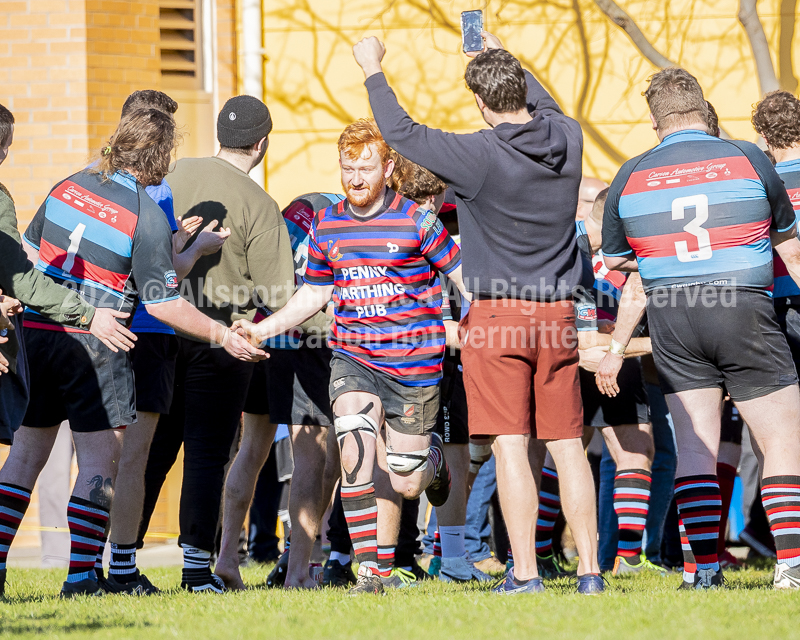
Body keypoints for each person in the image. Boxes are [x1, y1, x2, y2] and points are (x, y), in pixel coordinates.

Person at [352, 32, 602, 594]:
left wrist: (373, 70)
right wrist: (501, 56)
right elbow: (550, 106)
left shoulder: (479, 154)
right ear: (521, 90)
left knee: (511, 445)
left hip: (496, 318)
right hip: (559, 313)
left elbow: (400, 132)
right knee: (566, 445)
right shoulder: (568, 137)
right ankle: (590, 574)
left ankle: (528, 575)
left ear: (482, 105)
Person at [0, 108, 263, 598]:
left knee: (24, 458)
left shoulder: (68, 184)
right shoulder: (143, 213)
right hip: (98, 342)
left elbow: (30, 255)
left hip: (38, 332)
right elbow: (163, 304)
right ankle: (81, 576)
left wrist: (179, 250)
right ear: (159, 157)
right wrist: (223, 335)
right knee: (101, 461)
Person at [234, 118, 465, 595]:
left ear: (388, 166)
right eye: (347, 168)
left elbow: (463, 277)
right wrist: (264, 328)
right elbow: (313, 293)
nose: (356, 178)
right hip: (353, 358)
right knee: (356, 455)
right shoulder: (328, 222)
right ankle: (370, 572)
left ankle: (434, 464)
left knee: (405, 480)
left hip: (414, 364)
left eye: (365, 168)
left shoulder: (417, 222)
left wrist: (479, 321)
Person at [602, 67, 800, 590]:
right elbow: (788, 242)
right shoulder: (748, 156)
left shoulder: (630, 174)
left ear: (654, 118)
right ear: (701, 105)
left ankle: (702, 569)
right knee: (781, 437)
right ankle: (791, 567)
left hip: (674, 313)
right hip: (742, 306)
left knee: (695, 448)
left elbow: (622, 264)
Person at [136, 95, 305, 593]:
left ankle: (119, 558)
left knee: (154, 450)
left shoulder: (175, 174)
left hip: (159, 330)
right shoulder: (260, 206)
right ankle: (194, 571)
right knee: (207, 454)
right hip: (224, 342)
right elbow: (280, 299)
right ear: (263, 144)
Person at [98, 91, 230, 596]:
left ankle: (86, 567)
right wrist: (197, 247)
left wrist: (177, 237)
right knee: (134, 456)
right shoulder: (155, 192)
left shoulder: (91, 179)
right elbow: (166, 277)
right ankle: (124, 569)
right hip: (150, 334)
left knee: (99, 452)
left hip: (99, 326)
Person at [216, 192, 339, 591]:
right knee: (311, 458)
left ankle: (226, 559)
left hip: (262, 336)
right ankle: (301, 570)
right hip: (306, 343)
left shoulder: (286, 216)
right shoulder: (340, 215)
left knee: (251, 450)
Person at [573, 189, 662, 576]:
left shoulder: (621, 257)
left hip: (615, 356)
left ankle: (628, 558)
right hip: (569, 359)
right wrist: (661, 344)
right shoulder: (568, 246)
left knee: (637, 448)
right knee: (561, 455)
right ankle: (540, 550)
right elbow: (585, 344)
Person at [750, 89, 800, 586]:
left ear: (763, 138)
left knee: (776, 434)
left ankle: (790, 548)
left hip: (771, 309)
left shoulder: (757, 181)